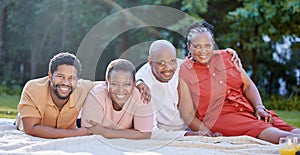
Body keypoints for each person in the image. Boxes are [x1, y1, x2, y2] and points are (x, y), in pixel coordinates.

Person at [179, 21, 300, 144]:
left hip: (248, 109)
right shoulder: (184, 72)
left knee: (291, 130)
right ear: (189, 46)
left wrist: (259, 107)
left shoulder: (227, 56)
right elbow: (187, 113)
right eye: (197, 46)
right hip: (222, 117)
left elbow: (248, 86)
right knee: (281, 136)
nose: (203, 51)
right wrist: (205, 132)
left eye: (207, 45)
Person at [136, 40, 240, 138]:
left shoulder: (182, 66)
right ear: (150, 62)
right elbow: (152, 131)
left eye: (172, 61)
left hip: (195, 124)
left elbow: (202, 58)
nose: (168, 67)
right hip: (170, 133)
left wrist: (227, 53)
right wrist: (188, 135)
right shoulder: (142, 86)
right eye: (161, 63)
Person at [15, 52, 95, 138]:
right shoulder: (33, 88)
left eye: (71, 78)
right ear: (50, 75)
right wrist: (80, 132)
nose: (65, 82)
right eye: (60, 76)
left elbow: (108, 84)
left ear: (77, 79)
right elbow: (31, 129)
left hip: (68, 127)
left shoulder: (83, 88)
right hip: (28, 123)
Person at [81, 59, 153, 139]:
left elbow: (145, 134)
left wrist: (105, 132)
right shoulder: (96, 95)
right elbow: (90, 131)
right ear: (107, 83)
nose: (121, 90)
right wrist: (132, 133)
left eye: (127, 84)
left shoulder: (141, 96)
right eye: (114, 84)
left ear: (134, 85)